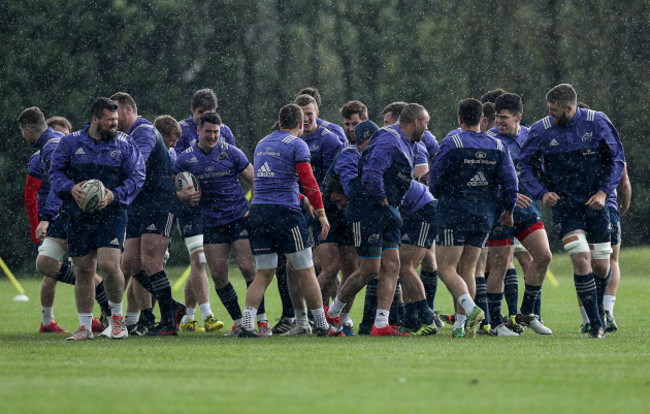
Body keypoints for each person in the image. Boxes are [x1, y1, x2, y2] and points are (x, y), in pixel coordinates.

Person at [519, 84, 625, 339]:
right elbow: (525, 164)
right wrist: (541, 193)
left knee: (601, 265)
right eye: (549, 110)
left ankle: (598, 312)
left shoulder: (597, 122)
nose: (551, 115)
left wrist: (603, 192)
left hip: (595, 204)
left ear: (569, 108)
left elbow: (617, 159)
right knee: (580, 258)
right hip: (566, 208)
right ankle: (596, 324)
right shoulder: (542, 129)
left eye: (555, 111)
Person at [325, 103, 430, 337]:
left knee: (393, 265)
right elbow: (372, 175)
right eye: (425, 123)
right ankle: (333, 311)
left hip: (387, 209)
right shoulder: (389, 139)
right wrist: (383, 202)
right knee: (370, 269)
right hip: (368, 209)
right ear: (415, 122)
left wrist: (390, 206)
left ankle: (380, 324)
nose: (426, 127)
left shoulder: (409, 143)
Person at [50, 97, 145, 341]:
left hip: (112, 214)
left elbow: (137, 176)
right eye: (109, 121)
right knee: (83, 269)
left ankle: (117, 321)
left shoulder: (125, 144)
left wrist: (114, 195)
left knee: (110, 264)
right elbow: (55, 173)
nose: (115, 124)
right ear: (94, 120)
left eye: (116, 120)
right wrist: (70, 188)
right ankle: (84, 327)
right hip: (78, 215)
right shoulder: (70, 143)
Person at [241, 103, 341, 337]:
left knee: (264, 272)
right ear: (299, 123)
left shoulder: (263, 143)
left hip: (259, 212)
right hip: (285, 214)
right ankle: (322, 325)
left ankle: (246, 325)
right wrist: (322, 212)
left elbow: (270, 181)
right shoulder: (298, 144)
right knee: (306, 269)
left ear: (279, 121)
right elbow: (308, 180)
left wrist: (301, 198)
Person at [429, 98, 518, 338]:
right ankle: (460, 326)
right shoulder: (498, 146)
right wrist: (508, 209)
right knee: (467, 267)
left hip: (454, 212)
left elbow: (435, 177)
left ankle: (470, 309)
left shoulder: (452, 142)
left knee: (446, 268)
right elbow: (511, 183)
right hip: (484, 215)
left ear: (460, 119)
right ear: (482, 119)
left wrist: (439, 194)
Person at [19, 107, 109, 334]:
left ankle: (108, 316)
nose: (23, 137)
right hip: (64, 215)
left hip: (72, 215)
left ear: (28, 129)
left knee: (85, 268)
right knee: (46, 264)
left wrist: (45, 219)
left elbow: (58, 186)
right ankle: (99, 301)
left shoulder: (51, 147)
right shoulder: (48, 145)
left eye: (22, 132)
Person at [174, 111, 263, 336]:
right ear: (198, 131)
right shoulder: (185, 158)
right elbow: (172, 188)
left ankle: (260, 320)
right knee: (219, 276)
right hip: (211, 223)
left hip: (238, 217)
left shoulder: (231, 152)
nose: (213, 136)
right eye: (208, 132)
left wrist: (256, 207)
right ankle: (238, 323)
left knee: (247, 267)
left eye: (216, 132)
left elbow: (253, 178)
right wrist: (182, 196)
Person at [110, 92, 184, 336]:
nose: (114, 118)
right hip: (138, 205)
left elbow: (135, 164)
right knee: (129, 262)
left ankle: (168, 324)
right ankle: (173, 307)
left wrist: (114, 191)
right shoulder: (122, 135)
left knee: (151, 260)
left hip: (159, 204)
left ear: (129, 110)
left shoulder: (144, 131)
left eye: (116, 112)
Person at [485, 93, 553, 336]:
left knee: (544, 256)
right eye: (496, 117)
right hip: (501, 212)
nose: (499, 122)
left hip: (527, 210)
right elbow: (484, 180)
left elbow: (540, 168)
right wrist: (507, 195)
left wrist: (545, 189)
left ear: (518, 117)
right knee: (500, 266)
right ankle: (495, 324)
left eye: (503, 118)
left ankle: (526, 312)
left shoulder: (530, 137)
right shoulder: (489, 140)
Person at [174, 88, 236, 155]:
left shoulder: (225, 131)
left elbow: (235, 159)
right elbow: (175, 161)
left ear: (215, 111)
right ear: (193, 109)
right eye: (201, 112)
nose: (204, 116)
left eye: (209, 112)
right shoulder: (180, 130)